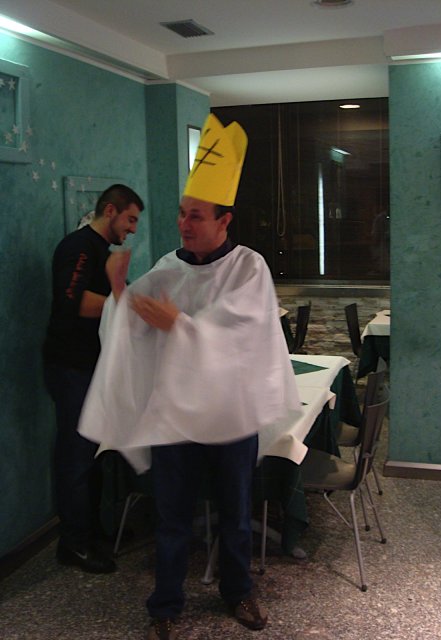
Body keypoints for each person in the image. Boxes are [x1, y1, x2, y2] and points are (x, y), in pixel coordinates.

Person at [79, 115, 301, 638]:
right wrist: (120, 294)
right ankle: (165, 603)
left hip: (230, 413)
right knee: (172, 515)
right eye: (182, 213)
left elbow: (242, 332)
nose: (184, 223)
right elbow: (132, 325)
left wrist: (180, 325)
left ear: (225, 221)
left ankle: (238, 591)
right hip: (175, 416)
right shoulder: (166, 267)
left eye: (196, 215)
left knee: (236, 511)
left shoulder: (248, 267)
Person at [43, 183, 144, 574]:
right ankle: (73, 544)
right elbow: (72, 302)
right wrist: (126, 303)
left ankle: (93, 530)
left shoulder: (102, 250)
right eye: (130, 219)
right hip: (71, 367)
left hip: (92, 366)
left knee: (94, 453)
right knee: (75, 455)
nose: (132, 229)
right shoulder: (78, 248)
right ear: (110, 210)